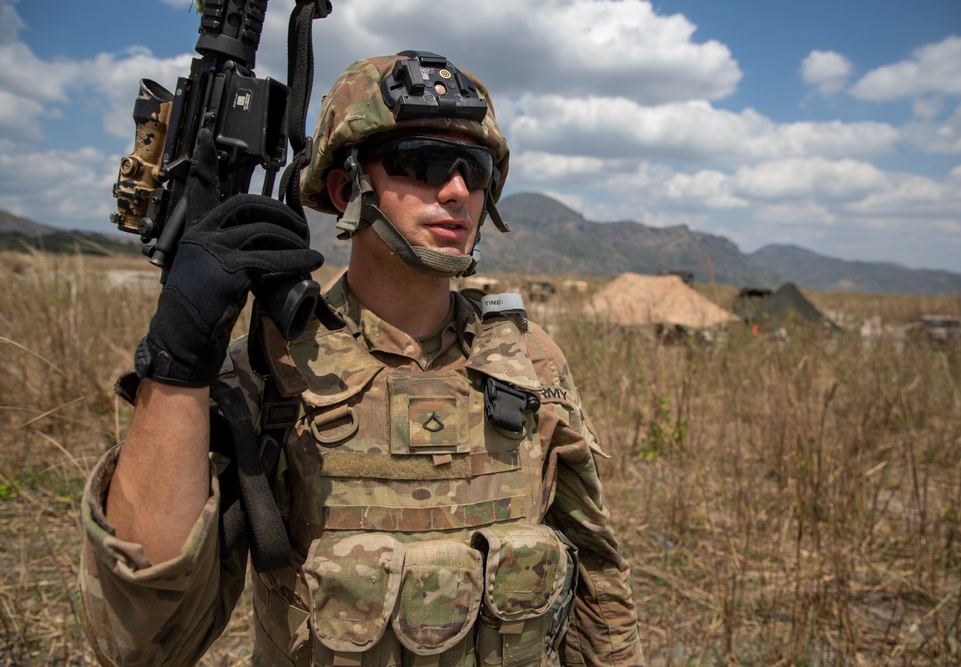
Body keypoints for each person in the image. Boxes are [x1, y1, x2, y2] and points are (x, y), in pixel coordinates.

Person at [79, 50, 645, 666]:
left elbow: (598, 585)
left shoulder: (528, 362)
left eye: (474, 170)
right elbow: (139, 643)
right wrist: (178, 364)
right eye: (422, 163)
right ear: (348, 186)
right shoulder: (272, 369)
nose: (456, 190)